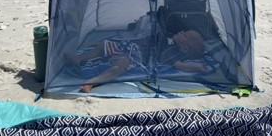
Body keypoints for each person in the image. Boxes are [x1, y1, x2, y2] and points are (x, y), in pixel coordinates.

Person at [66, 30, 212, 93]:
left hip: (133, 55)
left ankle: (93, 81)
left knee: (120, 66)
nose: (181, 32)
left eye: (185, 35)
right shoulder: (168, 39)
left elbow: (179, 66)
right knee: (100, 48)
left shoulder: (175, 53)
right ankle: (78, 58)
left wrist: (197, 67)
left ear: (185, 48)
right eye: (183, 31)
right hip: (128, 45)